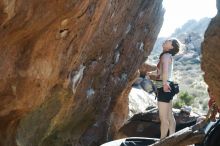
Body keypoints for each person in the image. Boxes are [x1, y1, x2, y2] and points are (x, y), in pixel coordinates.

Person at [149, 38, 180, 139]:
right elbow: (162, 73)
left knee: (163, 118)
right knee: (170, 116)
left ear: (171, 47)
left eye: (169, 41)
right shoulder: (167, 56)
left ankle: (162, 142)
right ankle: (171, 139)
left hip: (164, 87)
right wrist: (152, 74)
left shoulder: (166, 56)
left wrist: (165, 84)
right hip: (166, 85)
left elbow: (165, 72)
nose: (166, 41)